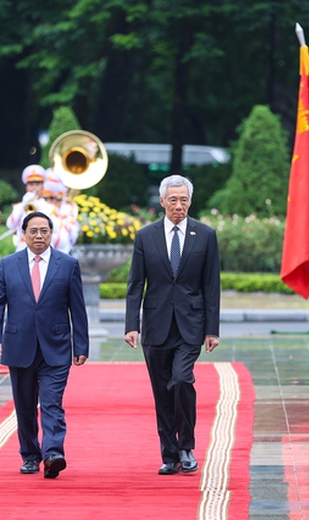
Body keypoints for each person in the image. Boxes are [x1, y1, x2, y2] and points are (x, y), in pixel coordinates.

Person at [124, 174, 221, 475]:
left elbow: (211, 285)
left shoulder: (205, 235)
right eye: (173, 200)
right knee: (162, 392)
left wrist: (212, 329)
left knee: (181, 381)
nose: (178, 205)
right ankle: (169, 454)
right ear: (163, 201)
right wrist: (132, 325)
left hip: (191, 325)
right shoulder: (145, 236)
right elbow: (135, 284)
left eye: (184, 200)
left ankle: (187, 447)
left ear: (190, 201)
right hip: (155, 325)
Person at [0, 211, 89, 479]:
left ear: (52, 234)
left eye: (44, 230)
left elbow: (77, 308)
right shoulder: (8, 264)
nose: (39, 236)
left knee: (53, 403)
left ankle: (53, 453)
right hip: (19, 345)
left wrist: (81, 346)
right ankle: (30, 455)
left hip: (56, 346)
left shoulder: (67, 265)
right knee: (25, 405)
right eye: (33, 231)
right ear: (24, 234)